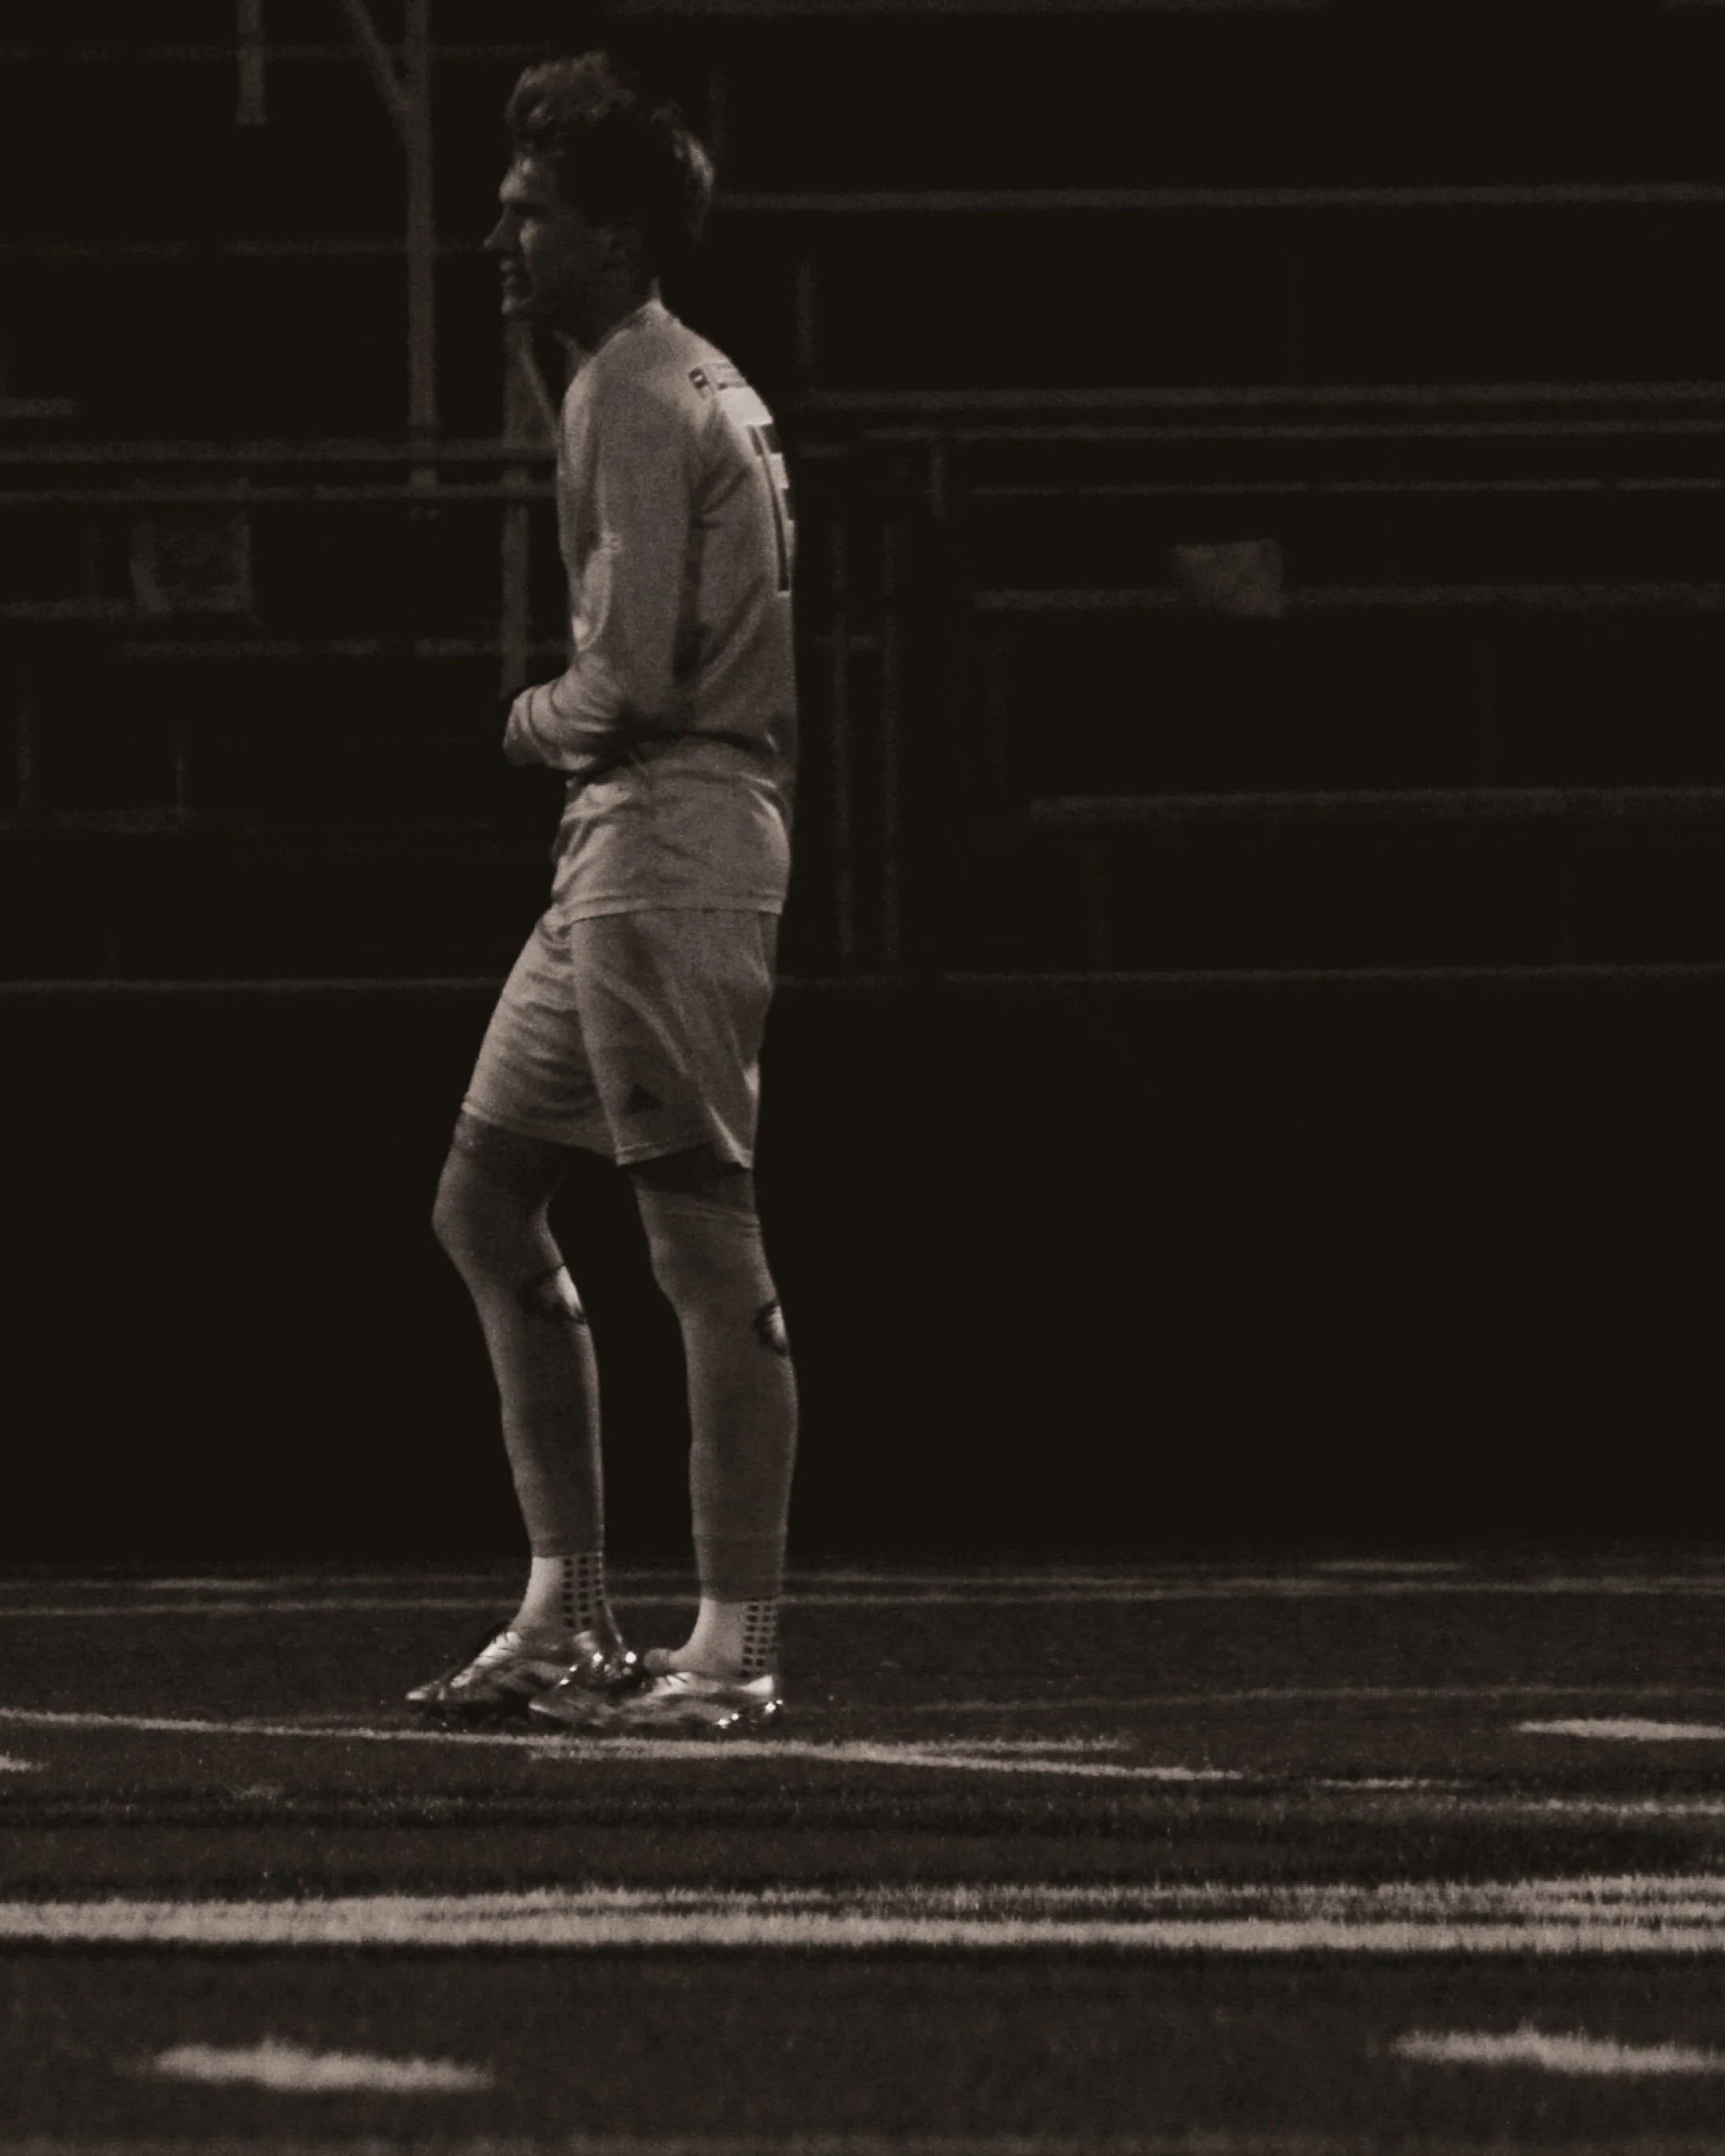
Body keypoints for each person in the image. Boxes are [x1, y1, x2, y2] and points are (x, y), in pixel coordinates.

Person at [409, 54, 799, 1734]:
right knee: (485, 1201)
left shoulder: (631, 392)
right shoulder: (663, 373)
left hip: (668, 834)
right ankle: (570, 1612)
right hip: (637, 844)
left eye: (531, 214)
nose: (500, 239)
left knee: (702, 1242)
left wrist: (524, 721)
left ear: (618, 235)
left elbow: (627, 678)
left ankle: (731, 1646)